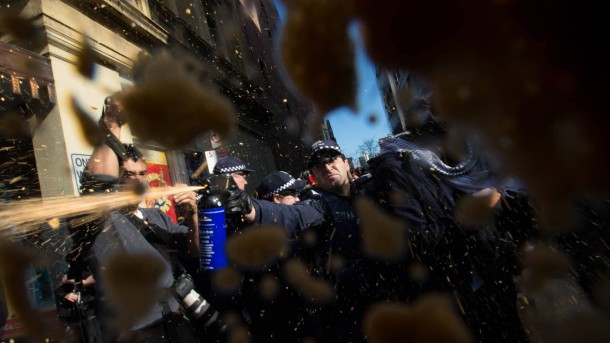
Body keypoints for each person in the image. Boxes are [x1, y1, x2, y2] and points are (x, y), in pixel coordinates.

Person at [68, 95, 222, 342]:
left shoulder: (155, 216)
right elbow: (95, 187)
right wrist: (112, 126)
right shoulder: (100, 220)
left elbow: (196, 251)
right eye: (129, 174)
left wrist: (193, 215)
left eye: (142, 174)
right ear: (116, 179)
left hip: (177, 323)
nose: (138, 181)